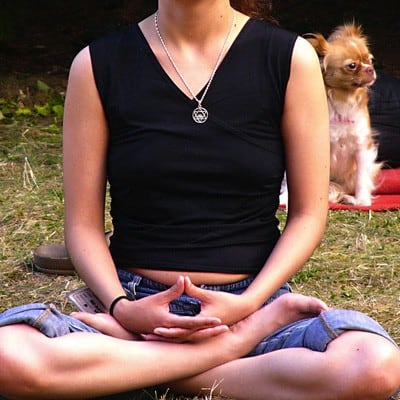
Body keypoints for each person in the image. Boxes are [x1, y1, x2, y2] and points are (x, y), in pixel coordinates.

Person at [1, 1, 399, 399]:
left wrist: (249, 307)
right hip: (132, 306)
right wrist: (122, 307)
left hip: (255, 305)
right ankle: (221, 356)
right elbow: (82, 226)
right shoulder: (97, 64)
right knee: (8, 357)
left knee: (375, 365)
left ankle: (135, 368)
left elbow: (309, 215)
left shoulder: (289, 58)